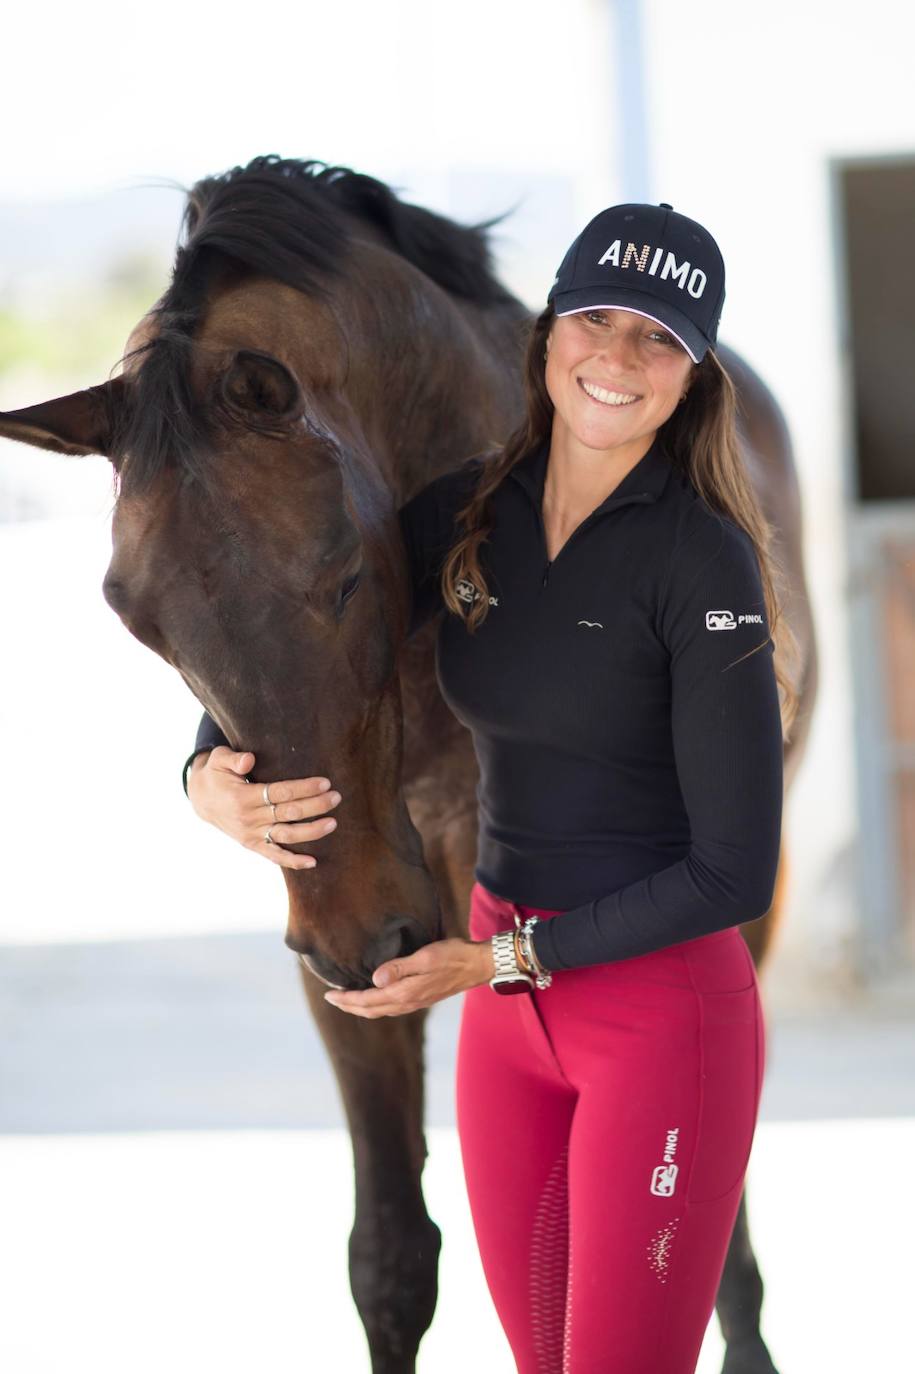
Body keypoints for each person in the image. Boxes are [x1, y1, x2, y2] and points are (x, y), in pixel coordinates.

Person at [184, 202, 793, 1373]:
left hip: (655, 1013)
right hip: (510, 1022)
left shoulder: (702, 555)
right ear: (549, 326)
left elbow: (732, 871)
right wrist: (204, 769)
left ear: (694, 375)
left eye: (658, 339)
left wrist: (494, 965)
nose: (616, 357)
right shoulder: (468, 513)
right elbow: (312, 641)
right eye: (598, 319)